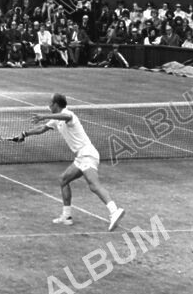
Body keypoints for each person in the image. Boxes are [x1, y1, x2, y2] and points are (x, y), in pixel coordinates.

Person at [15, 93, 124, 230]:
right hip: (80, 156)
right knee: (63, 179)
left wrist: (45, 116)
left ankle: (114, 211)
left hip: (87, 154)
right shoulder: (56, 120)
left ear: (56, 104)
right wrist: (25, 134)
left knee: (94, 185)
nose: (49, 106)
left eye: (51, 103)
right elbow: (42, 128)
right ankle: (67, 216)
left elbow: (66, 117)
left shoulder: (68, 114)